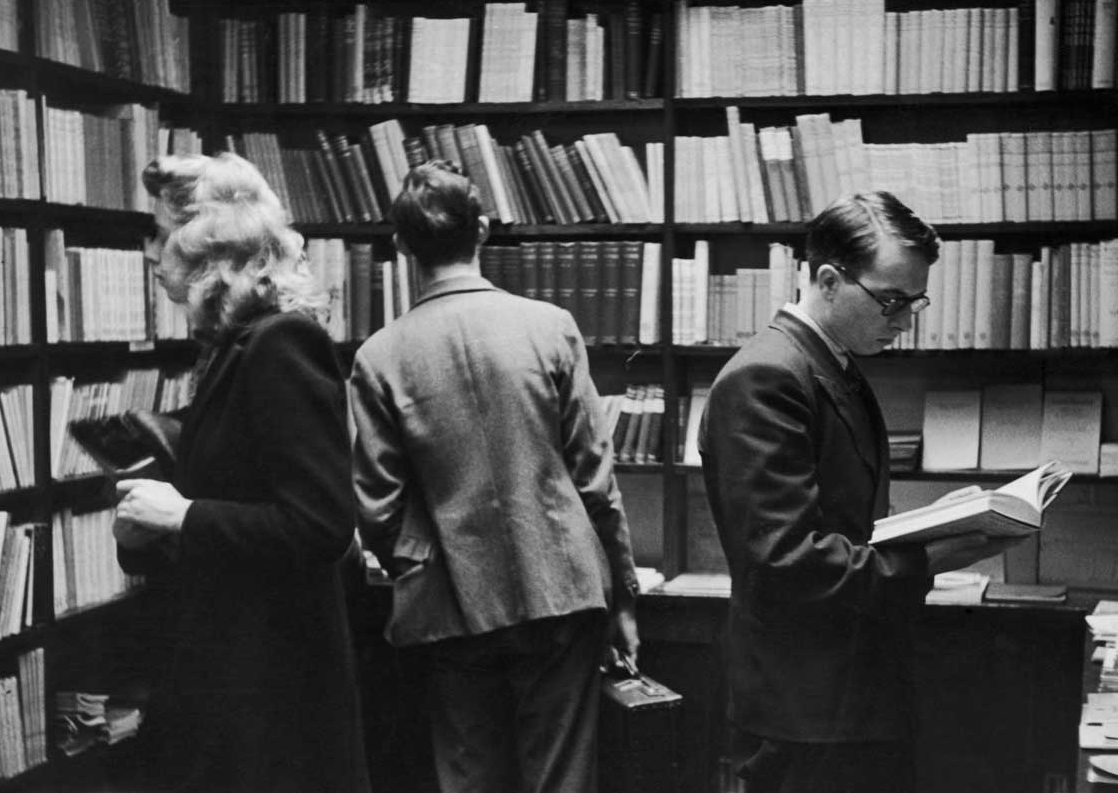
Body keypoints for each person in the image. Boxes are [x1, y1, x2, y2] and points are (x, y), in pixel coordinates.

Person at [698, 191, 1019, 793]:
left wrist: (935, 522)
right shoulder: (766, 377)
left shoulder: (830, 364)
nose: (904, 320)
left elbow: (840, 523)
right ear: (826, 279)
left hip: (845, 695)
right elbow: (786, 563)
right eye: (891, 301)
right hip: (806, 710)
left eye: (914, 302)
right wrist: (930, 557)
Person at [349, 160, 640, 793]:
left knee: (471, 779)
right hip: (561, 589)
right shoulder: (550, 328)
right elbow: (596, 482)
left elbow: (376, 510)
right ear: (481, 229)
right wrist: (621, 597)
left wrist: (425, 567)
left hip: (450, 604)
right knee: (561, 779)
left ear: (402, 247)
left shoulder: (378, 357)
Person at [112, 152, 372, 793]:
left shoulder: (281, 344)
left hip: (271, 691)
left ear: (207, 248)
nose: (151, 250)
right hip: (233, 677)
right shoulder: (232, 348)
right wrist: (150, 531)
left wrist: (183, 514)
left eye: (161, 232)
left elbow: (321, 524)